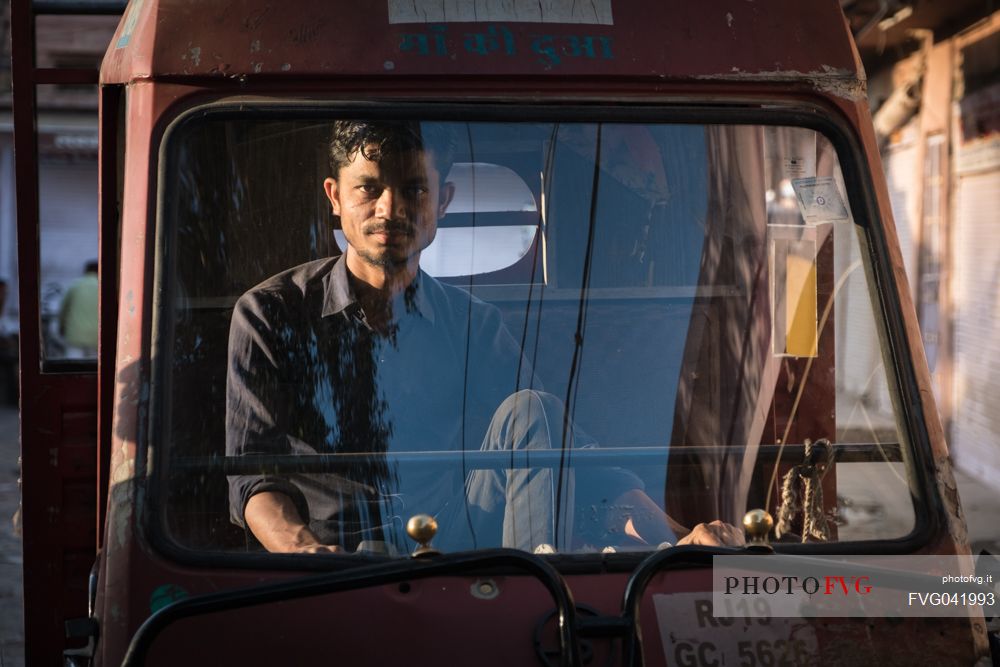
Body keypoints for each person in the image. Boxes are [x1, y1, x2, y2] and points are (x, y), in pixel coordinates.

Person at [226, 120, 743, 554]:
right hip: (336, 551)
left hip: (453, 535)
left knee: (533, 408)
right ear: (335, 197)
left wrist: (680, 538)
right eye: (369, 188)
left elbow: (560, 453)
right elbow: (254, 476)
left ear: (443, 202)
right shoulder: (271, 314)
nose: (390, 208)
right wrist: (303, 552)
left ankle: (535, 600)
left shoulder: (471, 322)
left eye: (413, 189)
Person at [59, 260, 99, 358]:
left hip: (75, 335)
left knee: (73, 366)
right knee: (95, 367)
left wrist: (62, 327)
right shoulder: (102, 286)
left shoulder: (75, 286)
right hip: (96, 337)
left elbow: (64, 309)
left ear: (85, 271)